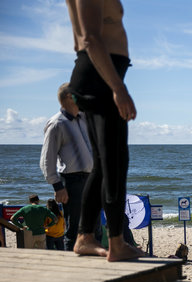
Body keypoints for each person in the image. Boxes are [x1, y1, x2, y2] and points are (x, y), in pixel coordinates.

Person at [66, 0, 143, 261]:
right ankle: (117, 243)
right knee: (115, 162)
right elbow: (90, 38)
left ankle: (85, 237)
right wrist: (118, 89)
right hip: (100, 80)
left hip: (100, 78)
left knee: (102, 165)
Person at [39, 82, 95, 251]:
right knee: (74, 231)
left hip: (92, 179)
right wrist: (58, 186)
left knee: (94, 228)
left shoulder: (84, 119)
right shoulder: (57, 123)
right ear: (70, 98)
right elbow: (46, 160)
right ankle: (73, 269)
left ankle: (92, 269)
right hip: (73, 181)